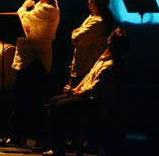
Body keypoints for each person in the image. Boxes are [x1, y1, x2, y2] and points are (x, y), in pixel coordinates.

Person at [43, 27, 129, 156]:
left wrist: (76, 93)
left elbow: (94, 89)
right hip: (85, 96)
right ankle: (55, 145)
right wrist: (75, 89)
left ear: (110, 40)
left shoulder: (111, 64)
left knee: (60, 106)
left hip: (93, 102)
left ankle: (59, 149)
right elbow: (89, 75)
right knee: (54, 101)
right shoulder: (104, 56)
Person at [9, 0, 60, 146]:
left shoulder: (48, 8)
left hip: (35, 59)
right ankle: (20, 136)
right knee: (22, 99)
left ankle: (35, 137)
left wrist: (24, 7)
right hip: (29, 57)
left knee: (31, 100)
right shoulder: (42, 6)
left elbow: (20, 17)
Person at [70, 0, 115, 88]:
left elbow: (76, 38)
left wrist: (74, 32)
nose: (88, 1)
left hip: (87, 68)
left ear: (94, 2)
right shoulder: (93, 16)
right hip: (83, 66)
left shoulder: (98, 22)